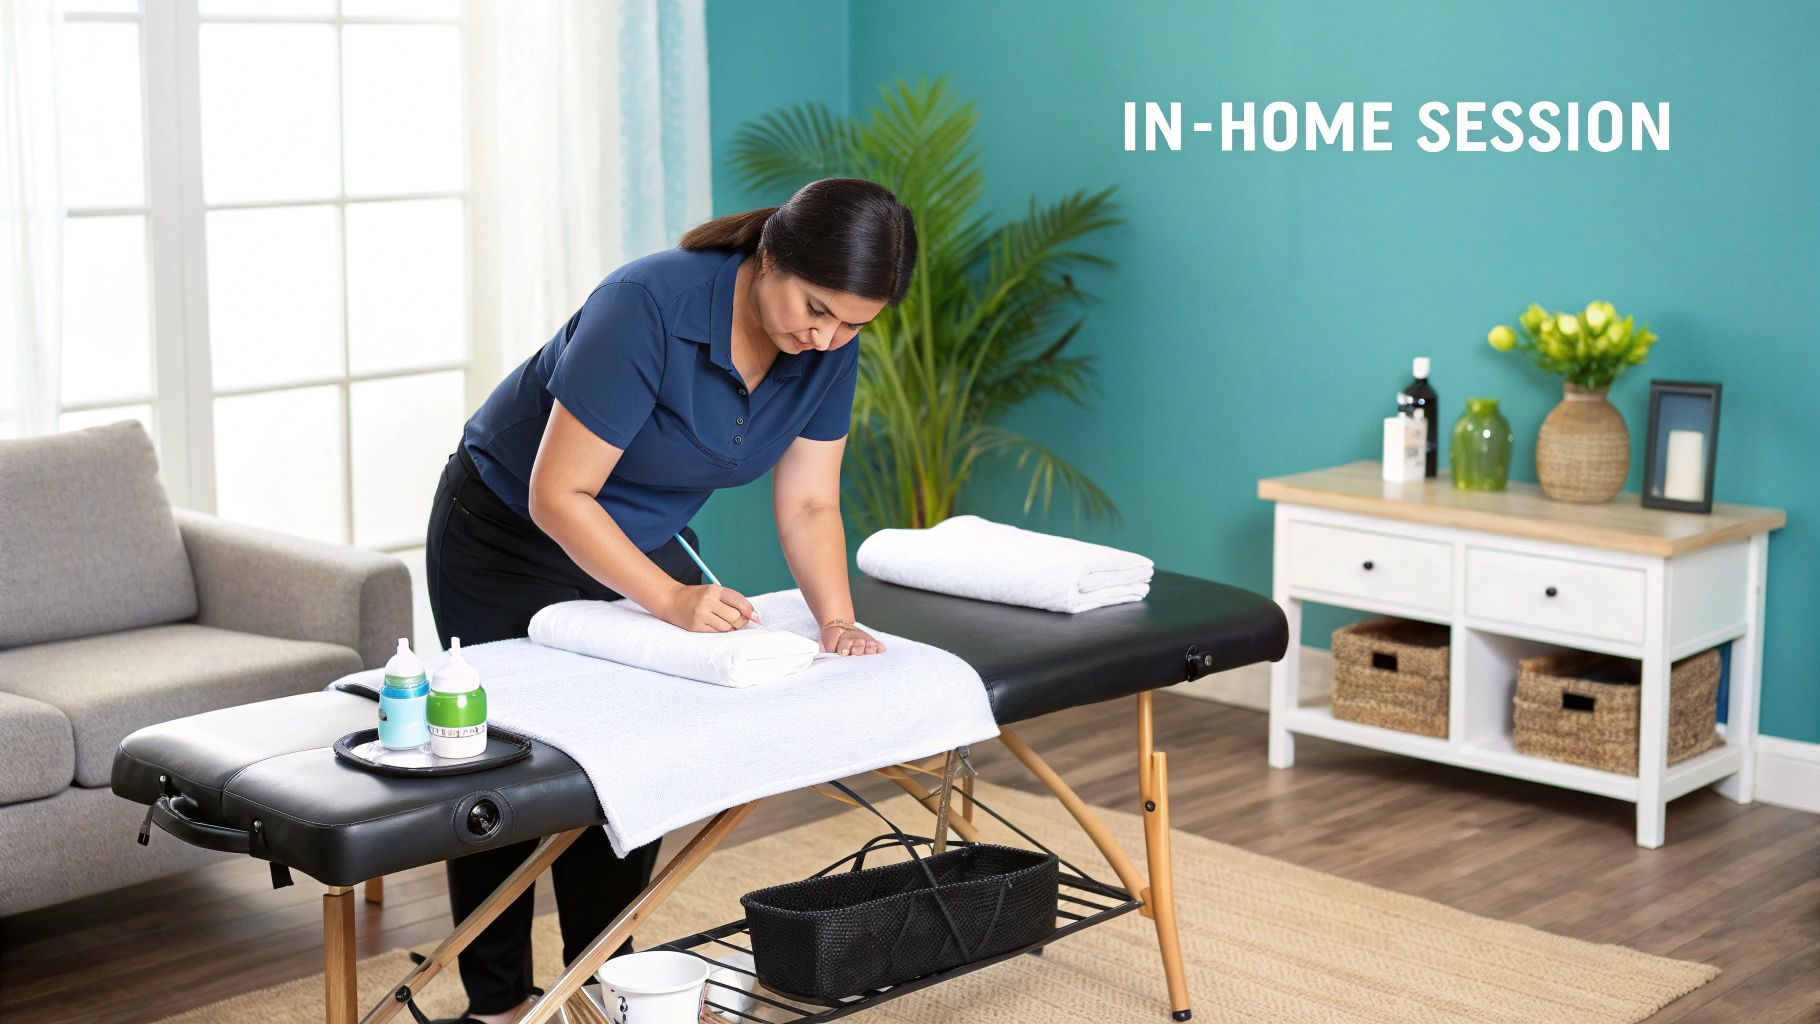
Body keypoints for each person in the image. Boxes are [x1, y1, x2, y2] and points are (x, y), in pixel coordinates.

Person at [422, 177, 918, 1024]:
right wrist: (670, 601)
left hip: (632, 535)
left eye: (852, 324)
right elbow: (559, 494)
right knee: (502, 766)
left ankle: (604, 987)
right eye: (816, 308)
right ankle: (497, 1003)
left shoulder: (828, 348)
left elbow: (808, 502)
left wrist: (837, 618)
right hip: (505, 528)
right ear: (769, 259)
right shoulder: (645, 306)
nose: (825, 336)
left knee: (631, 751)